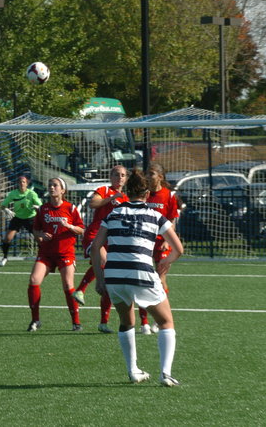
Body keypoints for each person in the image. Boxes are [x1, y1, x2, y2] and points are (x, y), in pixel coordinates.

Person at [91, 168, 183, 386]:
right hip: (141, 273)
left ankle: (133, 371)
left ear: (127, 193)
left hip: (114, 275)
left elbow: (95, 247)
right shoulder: (155, 215)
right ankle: (165, 373)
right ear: (147, 194)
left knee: (126, 322)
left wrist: (100, 279)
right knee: (166, 322)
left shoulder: (113, 214)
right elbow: (178, 248)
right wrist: (165, 263)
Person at [72, 165, 128, 333]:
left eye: (123, 175)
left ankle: (103, 323)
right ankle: (80, 290)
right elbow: (93, 203)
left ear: (126, 179)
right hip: (95, 235)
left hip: (112, 239)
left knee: (109, 280)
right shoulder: (104, 190)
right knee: (104, 260)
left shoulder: (126, 198)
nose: (119, 178)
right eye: (116, 174)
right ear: (111, 177)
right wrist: (111, 198)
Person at [27, 177, 85, 332]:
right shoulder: (43, 209)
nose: (52, 188)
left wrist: (69, 226)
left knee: (67, 285)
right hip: (46, 253)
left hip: (65, 253)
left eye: (55, 185)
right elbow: (36, 230)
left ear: (63, 190)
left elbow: (81, 229)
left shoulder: (71, 208)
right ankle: (35, 320)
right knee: (34, 280)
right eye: (50, 185)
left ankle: (76, 322)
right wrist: (40, 235)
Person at [139, 163, 179, 335]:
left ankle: (159, 319)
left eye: (152, 174)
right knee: (143, 280)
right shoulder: (144, 194)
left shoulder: (169, 195)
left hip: (162, 244)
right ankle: (144, 322)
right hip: (145, 243)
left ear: (160, 177)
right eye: (147, 174)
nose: (148, 177)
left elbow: (172, 220)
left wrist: (168, 241)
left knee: (160, 280)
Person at [0, 174, 42, 267]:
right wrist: (7, 210)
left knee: (40, 239)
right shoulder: (13, 193)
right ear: (17, 184)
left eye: (23, 182)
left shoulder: (32, 194)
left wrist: (37, 207)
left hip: (30, 218)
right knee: (7, 238)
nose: (22, 184)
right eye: (20, 182)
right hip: (18, 218)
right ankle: (5, 257)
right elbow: (2, 206)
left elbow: (41, 206)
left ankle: (43, 257)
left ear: (27, 183)